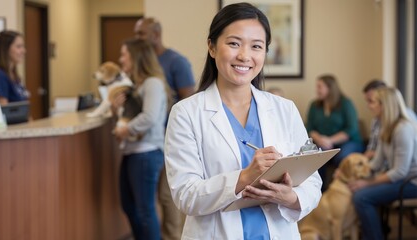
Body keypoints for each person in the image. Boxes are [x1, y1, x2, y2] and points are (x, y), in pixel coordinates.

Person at [164, 3, 322, 239]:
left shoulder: (284, 109)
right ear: (212, 47)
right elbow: (185, 196)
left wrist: (290, 197)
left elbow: (312, 181)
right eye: (234, 43)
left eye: (256, 46)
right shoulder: (186, 113)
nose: (244, 56)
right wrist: (245, 177)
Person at [134, 17, 196, 240]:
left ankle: (173, 237)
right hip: (152, 139)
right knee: (157, 197)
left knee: (168, 196)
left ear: (156, 35)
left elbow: (188, 100)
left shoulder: (176, 62)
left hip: (171, 138)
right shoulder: (144, 62)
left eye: (141, 34)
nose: (137, 38)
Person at [112, 38, 169, 240]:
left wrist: (125, 129)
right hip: (134, 151)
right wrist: (115, 109)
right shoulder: (137, 85)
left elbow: (150, 117)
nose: (120, 60)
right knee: (129, 205)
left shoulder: (152, 83)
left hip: (147, 152)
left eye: (124, 55)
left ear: (136, 57)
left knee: (145, 210)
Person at [350, 87, 417, 240]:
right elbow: (376, 163)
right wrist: (354, 174)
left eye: (372, 102)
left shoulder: (403, 129)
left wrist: (366, 183)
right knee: (358, 191)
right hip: (401, 179)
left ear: (384, 105)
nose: (369, 105)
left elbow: (400, 172)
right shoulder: (385, 127)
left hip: (412, 182)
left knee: (362, 197)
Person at [306, 74, 364, 190]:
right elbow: (309, 127)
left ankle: (339, 192)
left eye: (319, 87)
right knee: (315, 157)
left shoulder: (346, 104)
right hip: (323, 143)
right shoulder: (314, 105)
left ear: (330, 88)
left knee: (342, 157)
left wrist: (330, 140)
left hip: (348, 142)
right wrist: (319, 139)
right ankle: (317, 193)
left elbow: (351, 129)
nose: (316, 90)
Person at [362, 79, 417, 159]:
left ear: (384, 101)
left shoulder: (404, 125)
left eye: (371, 101)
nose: (368, 106)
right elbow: (372, 149)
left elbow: (400, 169)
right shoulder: (377, 120)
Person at [0, 30, 29, 105]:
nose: (24, 51)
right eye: (19, 47)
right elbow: (4, 110)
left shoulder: (13, 74)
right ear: (5, 49)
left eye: (23, 46)